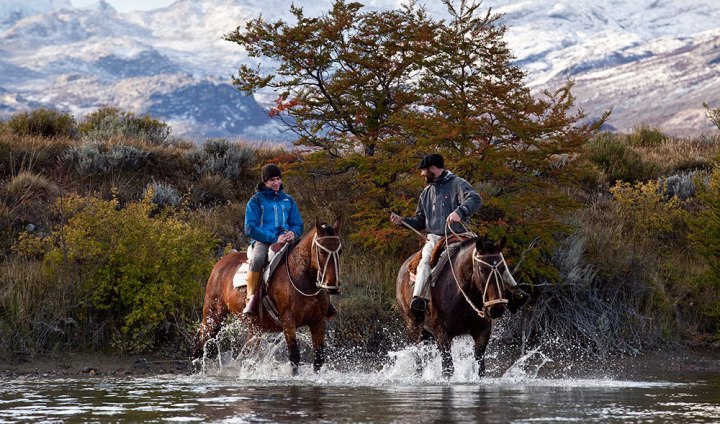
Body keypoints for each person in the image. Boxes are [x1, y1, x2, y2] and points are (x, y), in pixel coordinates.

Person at [391, 153, 528, 323]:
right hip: (435, 238)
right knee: (424, 262)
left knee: (491, 256)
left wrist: (459, 212)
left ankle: (514, 291)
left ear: (433, 168)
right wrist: (402, 221)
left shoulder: (457, 183)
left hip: (460, 235)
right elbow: (420, 220)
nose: (422, 174)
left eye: (424, 170)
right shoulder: (426, 193)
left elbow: (475, 199)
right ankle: (419, 301)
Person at [243, 164, 304, 315]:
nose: (276, 183)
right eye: (272, 180)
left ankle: (320, 299)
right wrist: (274, 238)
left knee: (311, 254)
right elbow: (249, 228)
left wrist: (294, 233)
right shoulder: (256, 200)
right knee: (257, 259)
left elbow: (298, 223)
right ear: (264, 182)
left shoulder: (288, 199)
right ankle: (251, 298)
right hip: (265, 240)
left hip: (288, 240)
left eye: (278, 179)